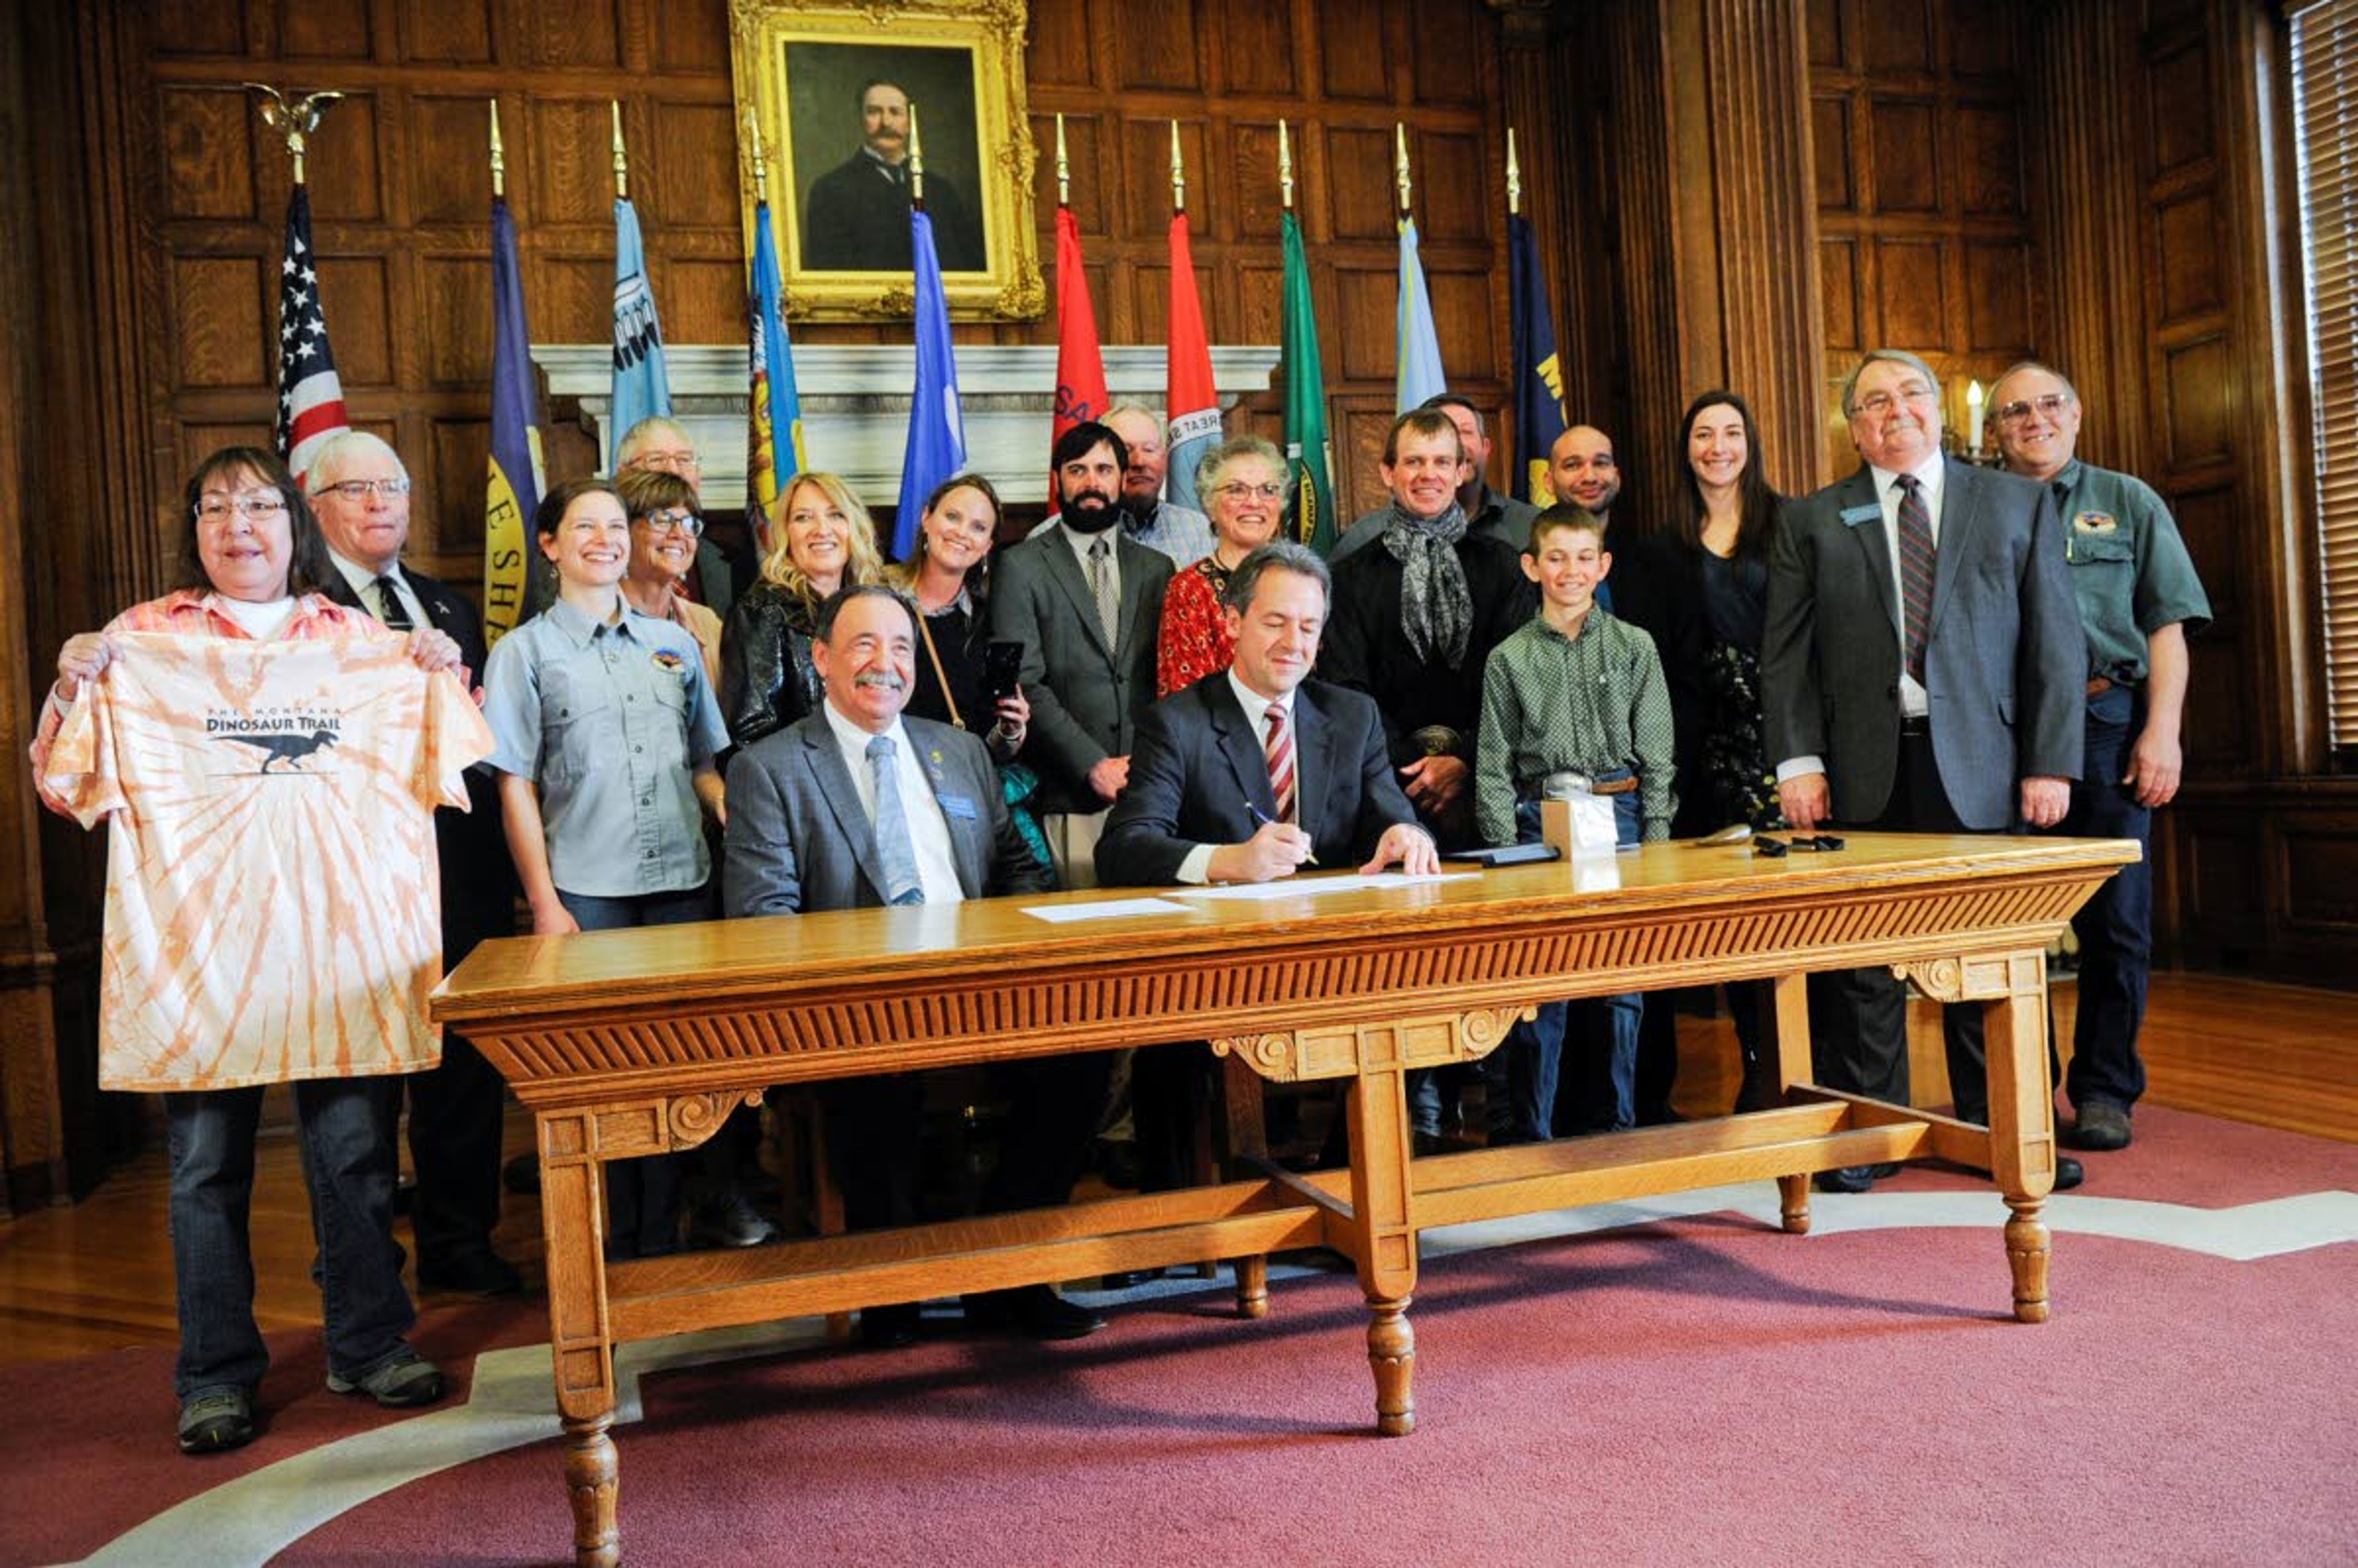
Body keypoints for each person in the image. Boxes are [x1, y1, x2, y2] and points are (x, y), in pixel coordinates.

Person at [33, 446, 476, 1453]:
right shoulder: (142, 640)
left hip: (342, 953)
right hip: (203, 957)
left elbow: (455, 755)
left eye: (261, 505)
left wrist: (446, 672)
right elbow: (63, 783)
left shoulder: (367, 642)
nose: (241, 523)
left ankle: (369, 1340)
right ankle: (215, 1374)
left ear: (295, 525)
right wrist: (73, 681)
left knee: (358, 1156)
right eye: (218, 506)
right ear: (193, 529)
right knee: (204, 1166)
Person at [723, 584, 1108, 1345]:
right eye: (864, 645)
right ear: (822, 658)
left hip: (981, 989)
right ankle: (891, 1291)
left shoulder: (957, 749)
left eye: (901, 647)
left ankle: (1005, 1272)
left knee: (1084, 1056)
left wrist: (1016, 945)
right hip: (852, 1005)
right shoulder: (770, 768)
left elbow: (1018, 868)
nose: (886, 665)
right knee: (878, 1083)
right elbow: (761, 919)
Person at [1762, 348, 2087, 1193]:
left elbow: (2055, 642)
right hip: (1865, 768)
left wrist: (2050, 762)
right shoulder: (1811, 519)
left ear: (1937, 410)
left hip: (1985, 763)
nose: (1893, 410)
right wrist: (1797, 762)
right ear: (1854, 424)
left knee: (1990, 956)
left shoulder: (2016, 501)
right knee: (1864, 964)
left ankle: (2005, 1129)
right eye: (1873, 401)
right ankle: (1874, 1132)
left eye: (1909, 394)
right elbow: (1787, 655)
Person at [1102, 541, 1438, 1188]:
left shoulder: (1352, 714)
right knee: (1169, 1043)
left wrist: (1401, 832)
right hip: (1217, 968)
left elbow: (1387, 814)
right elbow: (1124, 846)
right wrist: (1229, 860)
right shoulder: (1178, 722)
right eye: (1275, 621)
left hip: (1332, 957)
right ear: (1232, 623)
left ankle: (1349, 1194)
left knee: (1409, 1010)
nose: (1294, 642)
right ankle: (1176, 1217)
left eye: (1308, 626)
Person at [484, 476, 731, 1256]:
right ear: (551, 543)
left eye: (616, 526)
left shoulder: (676, 643)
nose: (605, 539)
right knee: (607, 1080)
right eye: (584, 526)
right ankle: (615, 1249)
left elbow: (703, 760)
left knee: (678, 1073)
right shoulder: (521, 653)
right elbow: (514, 783)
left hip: (683, 887)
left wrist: (737, 812)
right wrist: (546, 903)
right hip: (589, 896)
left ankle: (664, 1243)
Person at [307, 430, 523, 1298]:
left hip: (458, 869)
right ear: (314, 505)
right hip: (353, 876)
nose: (381, 502)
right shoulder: (297, 609)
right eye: (358, 488)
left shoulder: (447, 604)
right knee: (359, 1082)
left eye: (392, 486)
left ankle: (459, 1242)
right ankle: (358, 1267)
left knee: (462, 1071)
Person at [1991, 360, 2211, 1155]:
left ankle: (2104, 1088)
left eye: (2049, 405)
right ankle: (2023, 1084)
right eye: (2016, 411)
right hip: (2007, 732)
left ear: (2077, 413)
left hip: (2108, 721)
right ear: (1997, 429)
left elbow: (2167, 627)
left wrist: (2163, 730)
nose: (2034, 421)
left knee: (2117, 922)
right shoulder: (1979, 506)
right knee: (2009, 920)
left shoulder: (2129, 501)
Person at [1320, 407, 1533, 1151]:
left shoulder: (1503, 566)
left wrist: (1467, 759)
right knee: (1407, 962)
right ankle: (1417, 1109)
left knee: (1496, 953)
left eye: (1441, 463)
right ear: (1386, 473)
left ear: (1463, 470)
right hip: (1388, 793)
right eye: (1412, 463)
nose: (1428, 476)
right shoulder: (1349, 577)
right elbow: (1344, 692)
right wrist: (1405, 778)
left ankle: (1506, 1116)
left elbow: (1517, 679)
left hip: (1486, 786)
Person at [1474, 506, 1676, 1139]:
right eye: (1556, 558)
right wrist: (1506, 856)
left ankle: (1617, 1122)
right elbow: (1491, 767)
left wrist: (1658, 847)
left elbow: (1660, 757)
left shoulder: (1635, 645)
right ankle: (1533, 1131)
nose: (1571, 571)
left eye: (1584, 557)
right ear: (1532, 566)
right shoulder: (1508, 659)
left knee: (1623, 982)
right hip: (1543, 821)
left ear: (1603, 565)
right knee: (1545, 985)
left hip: (1619, 817)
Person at [1662, 392, 1786, 1111]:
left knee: (1800, 917)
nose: (1718, 446)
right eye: (1704, 434)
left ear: (1750, 443)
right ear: (1688, 449)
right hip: (1708, 758)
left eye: (1732, 432)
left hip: (1787, 747)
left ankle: (1811, 1067)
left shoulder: (1789, 525)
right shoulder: (1665, 545)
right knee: (1738, 921)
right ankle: (1758, 1070)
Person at [988, 421, 1175, 888]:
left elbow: (1169, 678)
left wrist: (1151, 769)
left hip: (1153, 792)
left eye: (1104, 469)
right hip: (1070, 795)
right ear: (1058, 481)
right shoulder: (1021, 565)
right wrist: (1092, 764)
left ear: (1121, 479)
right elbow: (1025, 681)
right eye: (1078, 470)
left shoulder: (1158, 569)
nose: (1092, 482)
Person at [720, 470, 885, 750]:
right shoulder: (763, 610)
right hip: (800, 784)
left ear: (854, 527)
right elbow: (751, 733)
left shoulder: (876, 610)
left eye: (836, 515)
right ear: (786, 534)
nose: (822, 529)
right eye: (803, 517)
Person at [882, 472, 1030, 761]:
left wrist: (1011, 730)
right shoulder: (877, 596)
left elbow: (990, 752)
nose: (962, 532)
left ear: (988, 545)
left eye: (978, 527)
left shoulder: (992, 620)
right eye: (952, 517)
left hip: (957, 786)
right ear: (927, 518)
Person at [801, 77, 983, 273]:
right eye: (874, 112)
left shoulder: (941, 191)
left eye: (895, 112)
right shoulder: (830, 190)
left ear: (909, 122)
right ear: (860, 119)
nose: (886, 122)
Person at [1330, 394, 1540, 563]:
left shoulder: (1532, 526)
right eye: (1443, 431)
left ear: (1486, 448)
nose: (1454, 442)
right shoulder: (1363, 538)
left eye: (1465, 432)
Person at [1158, 435, 1290, 696]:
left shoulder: (1301, 583)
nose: (1254, 502)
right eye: (1237, 489)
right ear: (1210, 504)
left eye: (1268, 490)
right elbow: (1185, 701)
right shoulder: (1188, 589)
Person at [613, 416, 744, 622]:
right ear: (624, 475)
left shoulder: (735, 564)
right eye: (657, 459)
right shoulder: (601, 558)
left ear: (698, 477)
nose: (673, 471)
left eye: (684, 459)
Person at [617, 467, 723, 685]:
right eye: (663, 520)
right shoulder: (594, 621)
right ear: (625, 530)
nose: (679, 534)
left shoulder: (706, 623)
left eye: (688, 524)